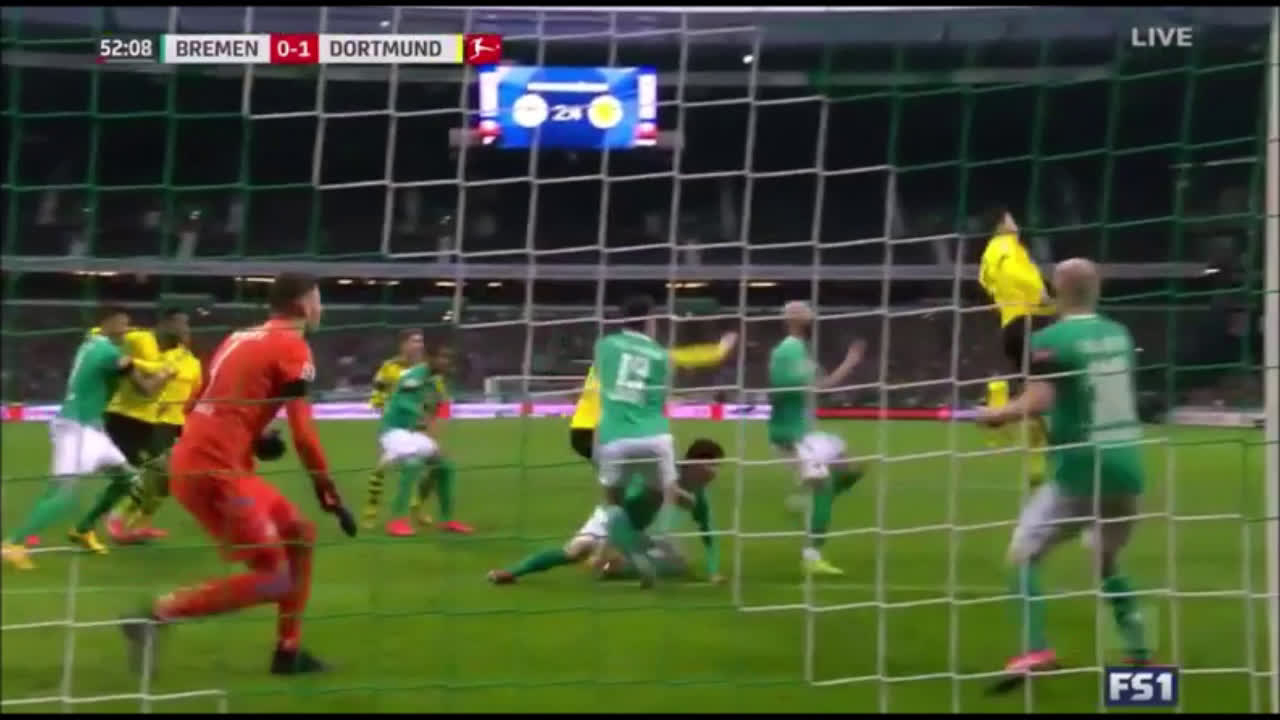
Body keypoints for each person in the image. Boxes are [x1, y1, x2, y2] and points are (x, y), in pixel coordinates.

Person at [120, 273, 355, 677]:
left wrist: (255, 437)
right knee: (274, 579)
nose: (322, 308)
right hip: (216, 472)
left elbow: (200, 401)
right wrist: (327, 491)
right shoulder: (293, 346)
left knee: (300, 535)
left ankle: (287, 652)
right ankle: (157, 616)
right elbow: (303, 434)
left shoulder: (238, 338)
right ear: (303, 304)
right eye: (319, 300)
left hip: (209, 462)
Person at [977, 258, 1150, 677]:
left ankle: (1035, 650)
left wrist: (998, 414)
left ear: (1055, 291)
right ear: (1097, 289)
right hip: (1127, 464)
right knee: (1106, 560)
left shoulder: (1050, 339)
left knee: (1022, 554)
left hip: (1082, 466)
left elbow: (1040, 399)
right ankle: (1139, 652)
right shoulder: (1120, 334)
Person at [2, 306, 169, 570]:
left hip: (92, 428)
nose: (125, 330)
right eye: (122, 324)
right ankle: (14, 544)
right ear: (106, 322)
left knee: (128, 480)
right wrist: (164, 374)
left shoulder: (90, 345)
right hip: (77, 429)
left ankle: (83, 529)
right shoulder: (109, 352)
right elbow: (146, 390)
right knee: (63, 494)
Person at [487, 439, 724, 585]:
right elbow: (621, 503)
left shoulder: (698, 495)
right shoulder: (661, 472)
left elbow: (709, 535)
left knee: (678, 564)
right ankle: (512, 572)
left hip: (637, 531)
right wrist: (607, 545)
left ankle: (613, 565)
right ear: (693, 463)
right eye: (712, 465)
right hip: (611, 517)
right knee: (574, 553)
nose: (715, 472)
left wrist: (713, 572)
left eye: (718, 466)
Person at [767, 301, 866, 577]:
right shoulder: (785, 351)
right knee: (823, 485)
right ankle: (812, 556)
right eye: (802, 309)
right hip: (790, 432)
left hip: (806, 431)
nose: (809, 312)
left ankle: (804, 503)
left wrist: (849, 362)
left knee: (852, 467)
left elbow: (822, 386)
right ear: (791, 318)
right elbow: (779, 390)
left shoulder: (803, 351)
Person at [107, 308, 202, 544]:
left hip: (177, 424)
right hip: (159, 424)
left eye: (187, 329)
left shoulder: (194, 364)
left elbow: (195, 392)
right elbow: (151, 370)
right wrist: (129, 361)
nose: (186, 333)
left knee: (167, 480)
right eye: (183, 329)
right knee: (156, 474)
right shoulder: (167, 358)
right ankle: (118, 516)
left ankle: (143, 523)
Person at [977, 207, 1056, 486]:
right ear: (1001, 224)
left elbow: (986, 282)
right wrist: (1041, 293)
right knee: (1044, 392)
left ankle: (999, 411)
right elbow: (1018, 274)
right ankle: (1000, 416)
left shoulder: (987, 255)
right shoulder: (1008, 245)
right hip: (1031, 321)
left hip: (1010, 323)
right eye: (1011, 218)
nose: (1015, 223)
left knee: (1031, 389)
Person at [370, 343, 469, 536]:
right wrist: (420, 414)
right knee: (412, 464)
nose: (446, 362)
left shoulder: (433, 380)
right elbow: (402, 402)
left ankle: (447, 520)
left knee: (445, 465)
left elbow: (433, 407)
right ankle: (397, 521)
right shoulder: (414, 377)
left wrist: (429, 423)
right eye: (442, 357)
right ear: (430, 358)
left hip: (412, 433)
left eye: (448, 358)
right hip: (393, 431)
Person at [362, 329, 425, 525]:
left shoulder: (424, 368)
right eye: (415, 341)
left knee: (415, 468)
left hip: (416, 424)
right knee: (383, 467)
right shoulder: (389, 367)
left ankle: (415, 508)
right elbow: (378, 392)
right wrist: (383, 408)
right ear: (403, 344)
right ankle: (372, 508)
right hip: (393, 426)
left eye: (421, 341)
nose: (419, 345)